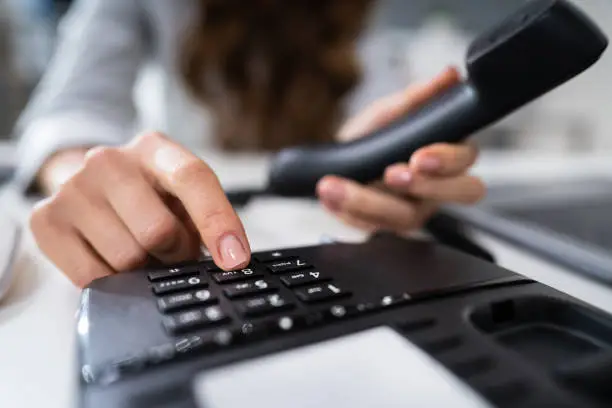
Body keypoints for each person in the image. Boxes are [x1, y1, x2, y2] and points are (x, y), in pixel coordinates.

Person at [14, 0, 485, 288]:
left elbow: (375, 98)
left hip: (324, 224)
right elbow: (68, 111)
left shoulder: (354, 10)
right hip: (174, 220)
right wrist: (82, 176)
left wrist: (385, 158)